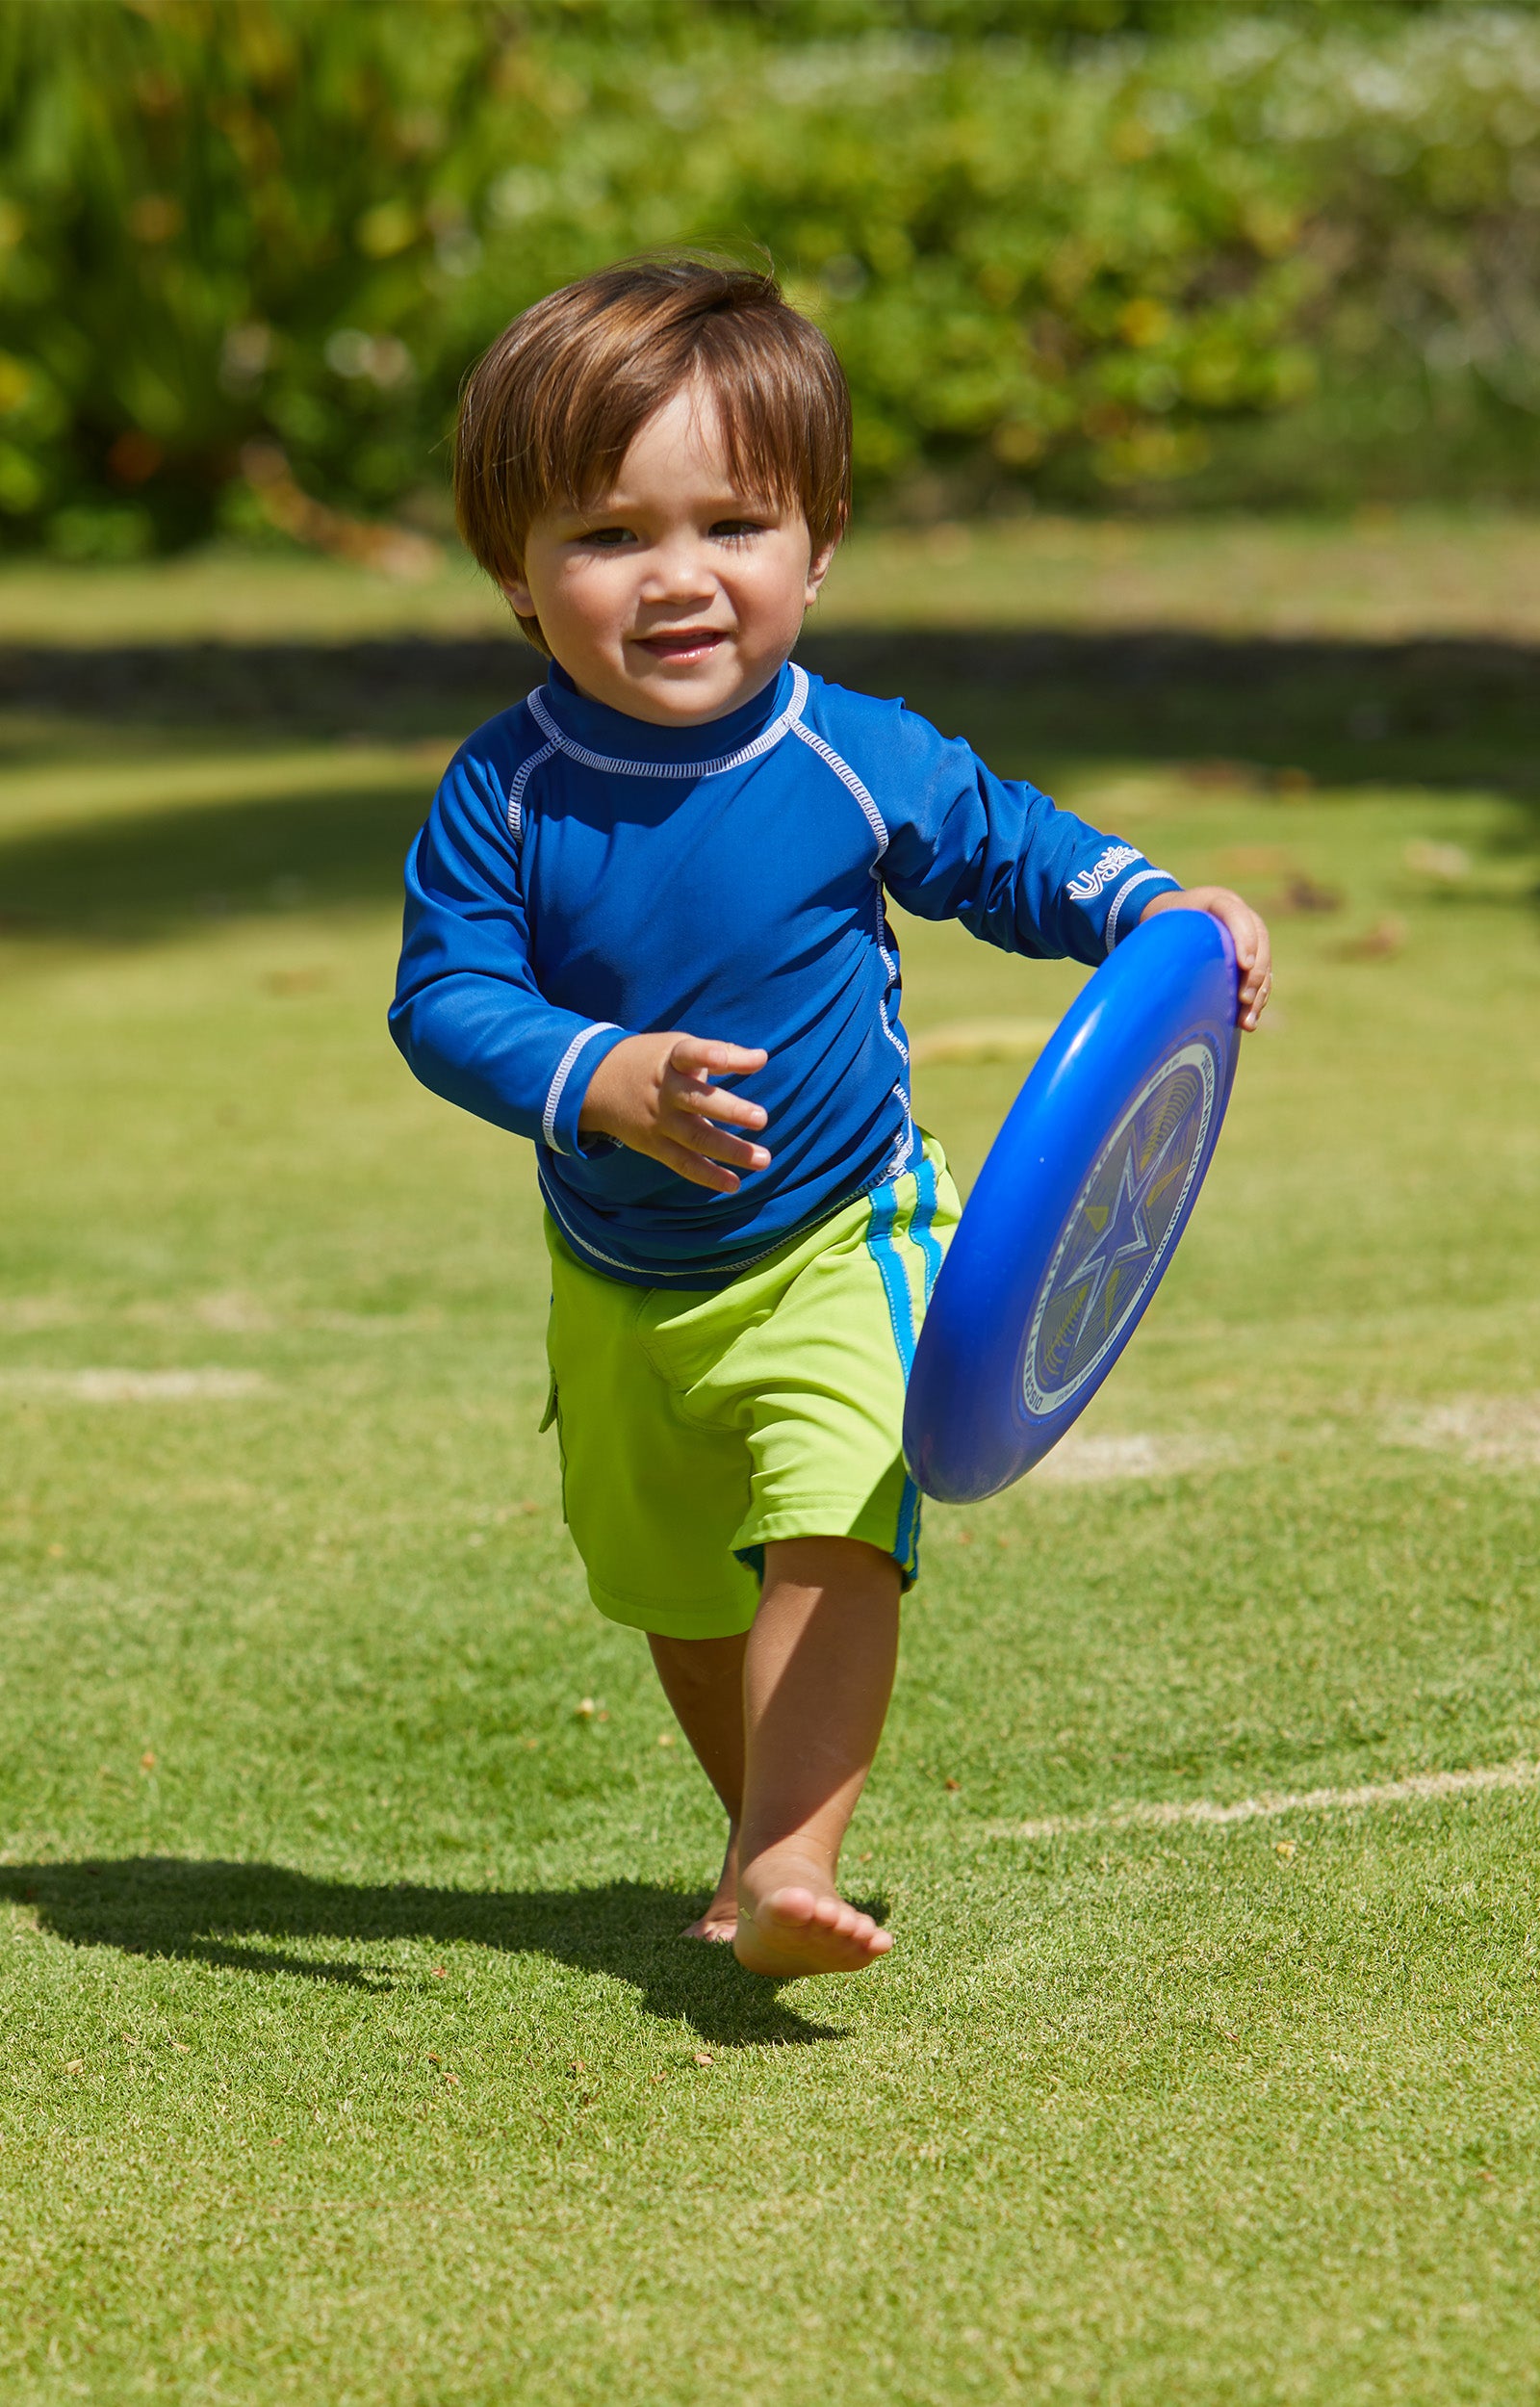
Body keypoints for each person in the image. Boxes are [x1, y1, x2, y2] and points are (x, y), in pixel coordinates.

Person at [390, 256, 1271, 1979]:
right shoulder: (504, 791)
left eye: (734, 524)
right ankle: (755, 1845)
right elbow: (445, 1001)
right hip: (621, 1280)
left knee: (837, 1523)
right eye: (608, 536)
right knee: (675, 1594)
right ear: (513, 568)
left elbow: (1019, 855)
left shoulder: (854, 753)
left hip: (839, 1236)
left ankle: (795, 1862)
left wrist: (1161, 912)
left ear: (819, 542)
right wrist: (599, 1076)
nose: (679, 578)